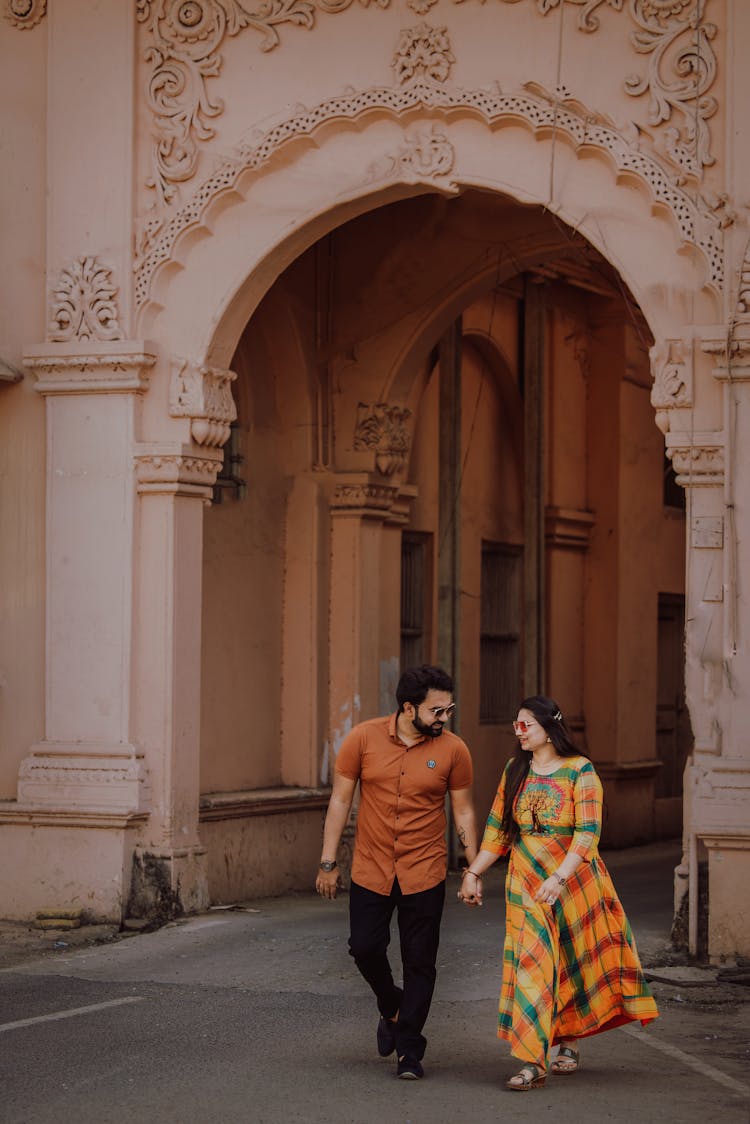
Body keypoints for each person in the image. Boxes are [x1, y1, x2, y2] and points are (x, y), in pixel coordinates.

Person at [458, 695, 658, 1091]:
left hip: (574, 880)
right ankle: (532, 1060)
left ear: (550, 728)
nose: (518, 733)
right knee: (532, 962)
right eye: (516, 726)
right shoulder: (515, 769)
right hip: (525, 881)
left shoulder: (579, 771)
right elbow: (498, 831)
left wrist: (560, 877)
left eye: (525, 725)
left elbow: (588, 833)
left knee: (571, 958)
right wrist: (473, 873)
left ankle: (568, 1037)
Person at [316, 665, 478, 1080]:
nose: (446, 718)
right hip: (371, 868)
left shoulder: (455, 750)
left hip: (424, 870)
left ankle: (410, 1049)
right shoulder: (363, 739)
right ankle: (391, 1005)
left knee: (420, 962)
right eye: (437, 711)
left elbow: (462, 809)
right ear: (409, 708)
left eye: (450, 709)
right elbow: (339, 801)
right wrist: (328, 862)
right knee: (364, 947)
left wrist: (472, 866)